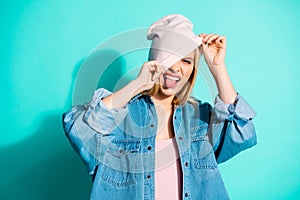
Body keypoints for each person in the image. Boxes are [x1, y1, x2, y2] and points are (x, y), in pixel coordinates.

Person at [62, 14, 257, 200]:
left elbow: (241, 132)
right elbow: (81, 129)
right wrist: (136, 85)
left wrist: (217, 68)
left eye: (186, 61)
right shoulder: (122, 116)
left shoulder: (199, 116)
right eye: (170, 58)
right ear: (155, 61)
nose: (176, 67)